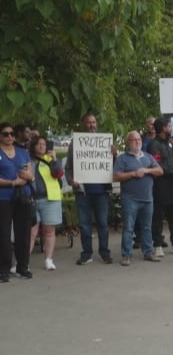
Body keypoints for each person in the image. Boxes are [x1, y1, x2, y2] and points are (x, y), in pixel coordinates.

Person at [65, 113, 115, 265]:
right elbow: (68, 167)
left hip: (101, 192)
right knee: (85, 225)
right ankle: (86, 253)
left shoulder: (105, 142)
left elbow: (114, 166)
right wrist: (70, 180)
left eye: (93, 122)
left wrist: (115, 154)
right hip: (83, 192)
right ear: (83, 124)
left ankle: (104, 252)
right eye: (88, 123)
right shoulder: (75, 143)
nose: (91, 125)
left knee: (102, 224)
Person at [113, 131, 163, 265]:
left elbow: (160, 171)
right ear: (128, 142)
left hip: (147, 199)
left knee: (147, 227)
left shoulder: (148, 157)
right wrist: (134, 173)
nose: (137, 142)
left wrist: (146, 170)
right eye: (133, 140)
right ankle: (126, 255)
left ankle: (148, 252)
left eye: (139, 139)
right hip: (130, 199)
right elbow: (116, 176)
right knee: (128, 228)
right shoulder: (122, 158)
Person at [0, 122, 35, 281]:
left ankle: (22, 267)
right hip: (4, 198)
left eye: (12, 134)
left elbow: (30, 173)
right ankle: (3, 270)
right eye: (5, 134)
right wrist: (13, 183)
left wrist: (29, 177)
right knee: (4, 235)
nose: (9, 137)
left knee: (23, 234)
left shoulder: (22, 152)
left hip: (23, 196)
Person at [148, 117, 173, 256]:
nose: (170, 128)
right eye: (168, 126)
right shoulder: (154, 145)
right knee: (158, 216)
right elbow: (157, 165)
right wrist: (172, 173)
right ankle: (157, 244)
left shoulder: (169, 144)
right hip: (160, 185)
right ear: (162, 128)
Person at [29, 134, 64, 271]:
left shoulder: (50, 159)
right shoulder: (28, 159)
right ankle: (23, 261)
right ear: (33, 146)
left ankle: (48, 259)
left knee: (49, 231)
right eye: (39, 144)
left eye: (44, 144)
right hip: (32, 199)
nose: (42, 146)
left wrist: (54, 159)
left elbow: (58, 174)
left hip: (50, 199)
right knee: (31, 232)